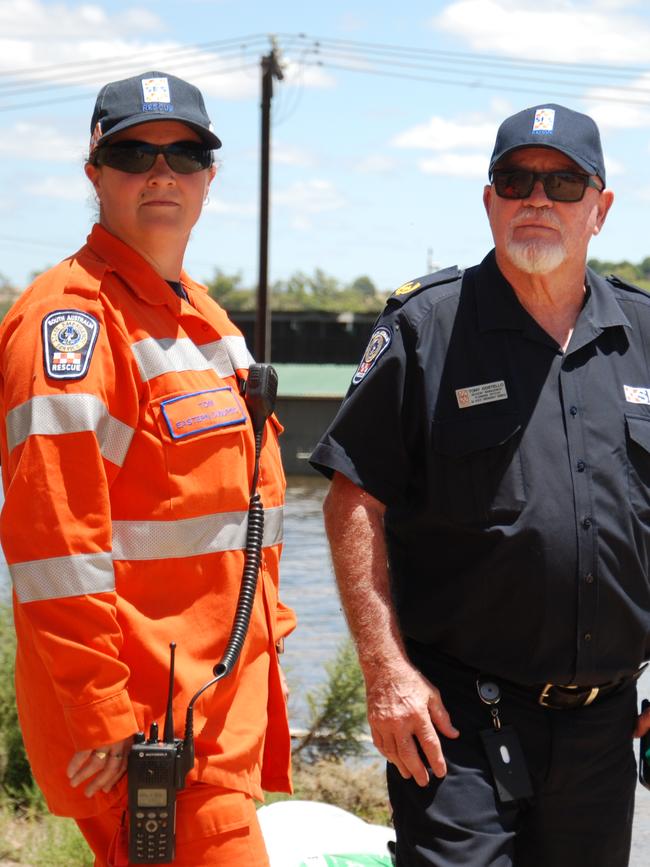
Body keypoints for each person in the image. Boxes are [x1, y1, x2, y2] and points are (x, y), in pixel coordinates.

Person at [310, 102, 650, 867]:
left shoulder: (644, 335)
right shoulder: (425, 328)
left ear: (601, 208)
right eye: (516, 178)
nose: (538, 198)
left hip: (603, 729)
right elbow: (353, 498)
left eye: (563, 182)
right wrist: (384, 670)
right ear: (489, 199)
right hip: (458, 723)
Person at [0, 71, 295, 866]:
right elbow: (54, 545)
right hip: (151, 742)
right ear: (94, 173)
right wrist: (101, 716)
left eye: (185, 153)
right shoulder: (69, 324)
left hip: (216, 722)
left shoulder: (204, 318)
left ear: (209, 175)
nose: (161, 172)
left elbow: (244, 520)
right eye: (134, 152)